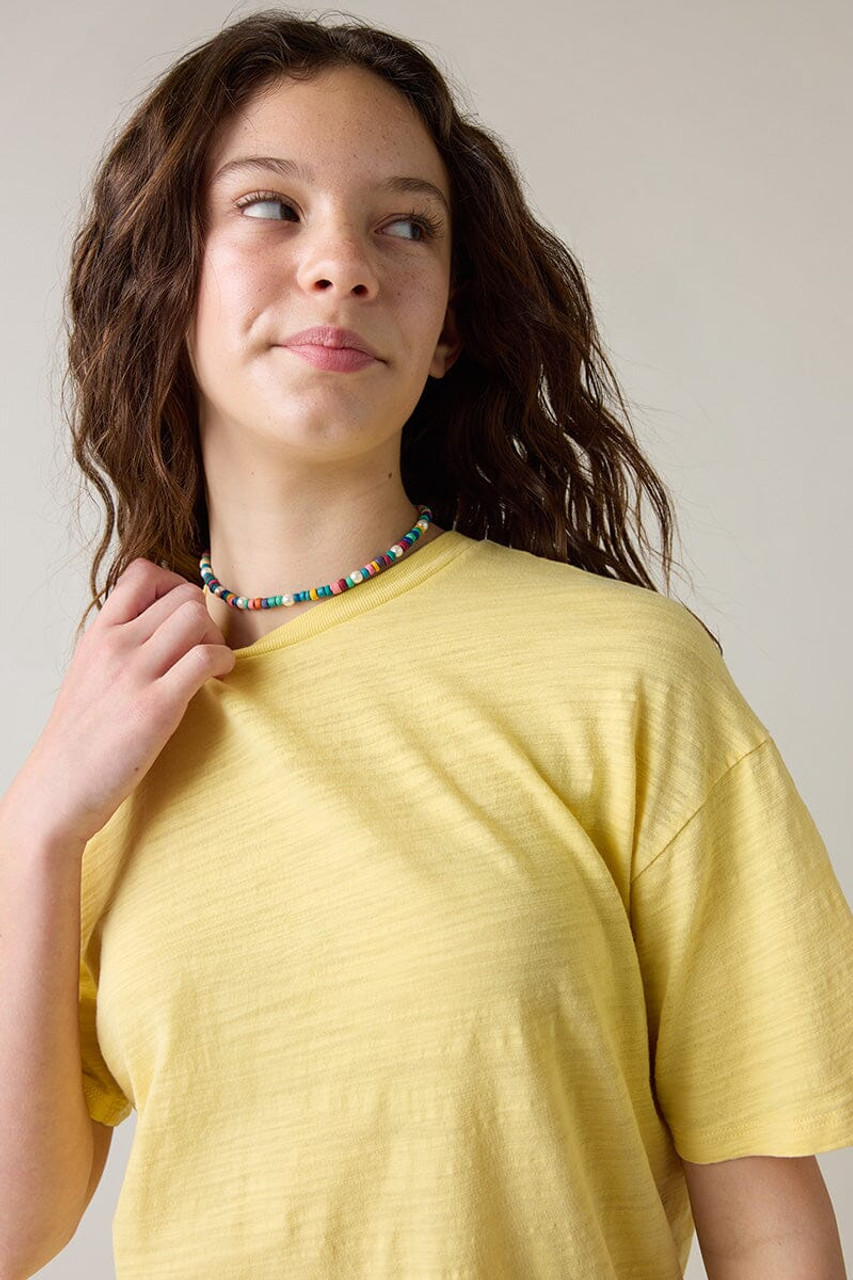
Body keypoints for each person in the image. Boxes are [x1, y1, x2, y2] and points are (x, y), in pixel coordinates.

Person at [1, 9, 851, 1280]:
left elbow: (771, 1226)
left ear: (448, 323)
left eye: (405, 226)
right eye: (272, 207)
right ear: (166, 276)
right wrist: (38, 828)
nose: (341, 264)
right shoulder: (117, 725)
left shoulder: (627, 676)